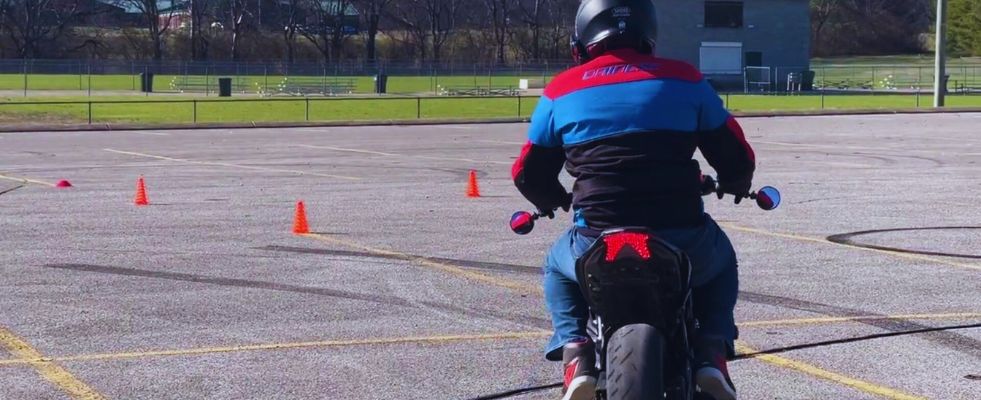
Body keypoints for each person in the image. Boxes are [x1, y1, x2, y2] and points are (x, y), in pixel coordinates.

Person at [510, 0, 755, 399]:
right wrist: (736, 182)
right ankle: (712, 350)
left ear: (584, 36)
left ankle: (576, 350)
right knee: (722, 260)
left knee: (556, 264)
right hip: (681, 236)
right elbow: (735, 153)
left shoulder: (560, 90)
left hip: (596, 236)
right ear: (648, 31)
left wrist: (552, 198)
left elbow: (527, 172)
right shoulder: (686, 79)